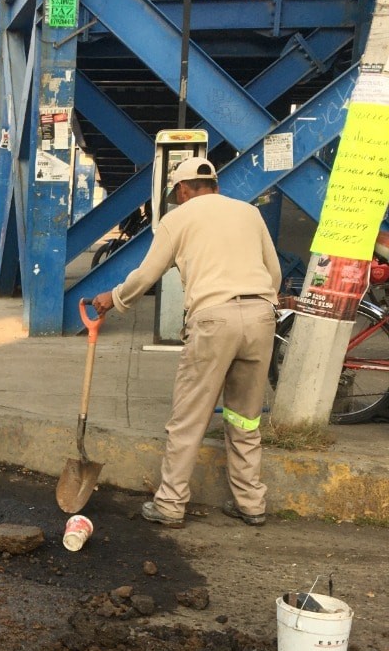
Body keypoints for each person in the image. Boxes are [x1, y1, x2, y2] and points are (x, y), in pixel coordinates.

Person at [92, 157, 281, 529]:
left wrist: (113, 298)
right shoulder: (249, 213)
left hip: (214, 319)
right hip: (260, 316)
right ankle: (252, 504)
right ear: (214, 184)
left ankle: (170, 504)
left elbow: (147, 273)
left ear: (181, 189)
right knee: (245, 417)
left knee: (189, 418)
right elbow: (273, 272)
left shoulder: (176, 219)